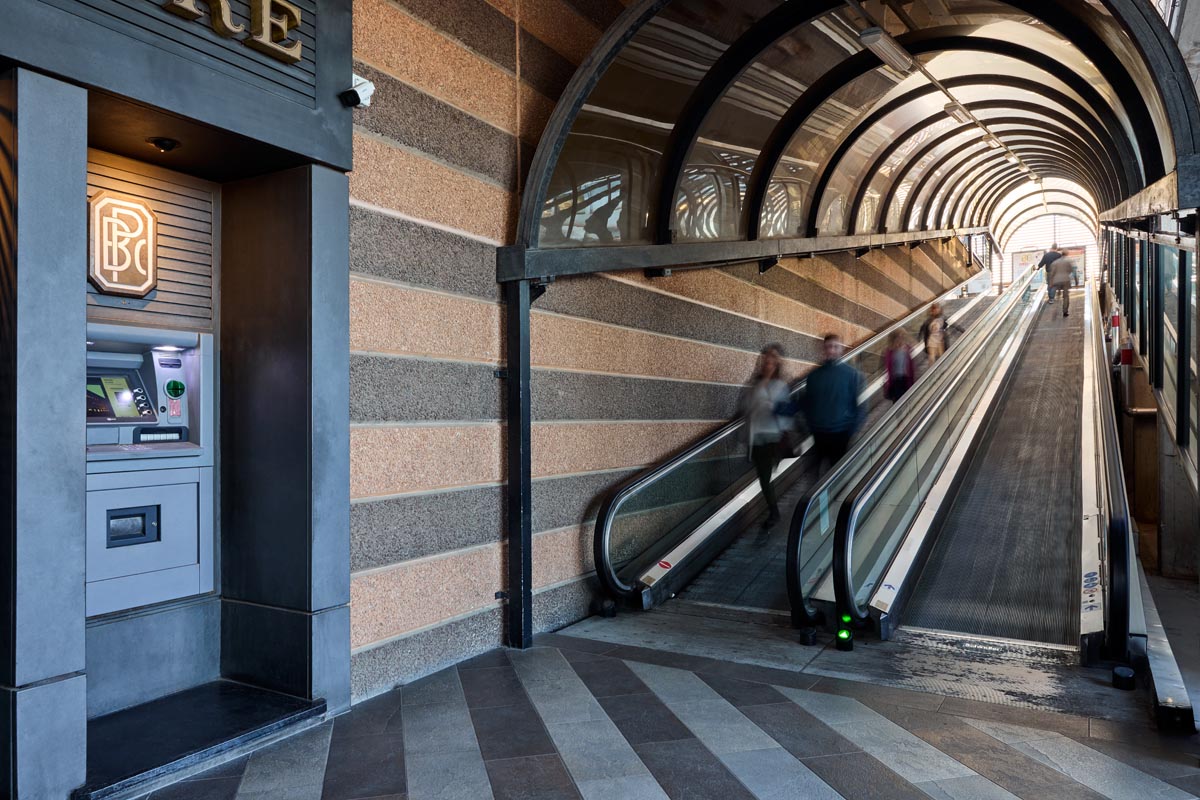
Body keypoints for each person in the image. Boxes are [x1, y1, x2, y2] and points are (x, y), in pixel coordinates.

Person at [740, 344, 791, 527]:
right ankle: (773, 510)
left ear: (777, 363)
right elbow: (745, 408)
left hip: (773, 437)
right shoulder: (754, 384)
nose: (768, 362)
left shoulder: (781, 385)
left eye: (772, 359)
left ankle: (774, 513)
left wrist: (775, 408)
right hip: (757, 437)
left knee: (765, 476)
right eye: (766, 359)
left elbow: (787, 411)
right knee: (763, 478)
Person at [802, 334, 865, 473]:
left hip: (840, 434)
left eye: (835, 347)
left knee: (837, 475)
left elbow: (860, 407)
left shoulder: (852, 375)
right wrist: (811, 426)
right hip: (819, 433)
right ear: (823, 349)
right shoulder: (814, 376)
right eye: (828, 347)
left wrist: (851, 432)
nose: (831, 350)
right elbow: (807, 403)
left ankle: (836, 495)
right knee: (816, 476)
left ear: (841, 349)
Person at [884, 329, 914, 403]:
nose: (902, 339)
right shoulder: (890, 351)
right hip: (895, 380)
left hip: (906, 378)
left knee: (905, 399)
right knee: (898, 400)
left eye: (903, 336)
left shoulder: (907, 348)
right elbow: (888, 368)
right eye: (900, 337)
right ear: (894, 338)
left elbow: (911, 366)